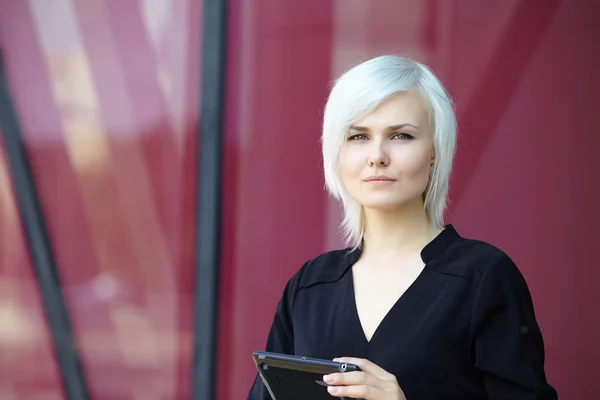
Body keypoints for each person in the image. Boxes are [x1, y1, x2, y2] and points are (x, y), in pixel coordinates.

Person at [247, 55, 557, 400]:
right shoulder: (309, 287)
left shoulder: (483, 277)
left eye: (401, 136)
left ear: (435, 151)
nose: (377, 155)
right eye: (358, 136)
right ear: (337, 152)